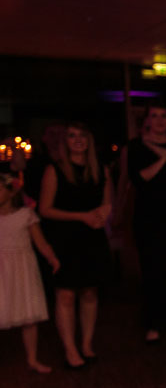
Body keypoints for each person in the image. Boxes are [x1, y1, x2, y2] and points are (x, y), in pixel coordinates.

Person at [38, 123, 113, 367]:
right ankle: (70, 349)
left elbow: (107, 203)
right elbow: (44, 209)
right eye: (72, 136)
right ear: (65, 142)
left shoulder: (100, 170)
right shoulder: (55, 170)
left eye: (82, 135)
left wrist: (102, 215)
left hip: (92, 238)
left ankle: (87, 344)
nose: (78, 140)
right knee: (67, 294)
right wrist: (81, 216)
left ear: (89, 140)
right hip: (65, 238)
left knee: (90, 292)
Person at [127, 103, 166, 344]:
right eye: (154, 115)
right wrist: (161, 158)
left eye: (164, 115)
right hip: (146, 215)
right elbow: (141, 178)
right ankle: (152, 323)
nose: (160, 119)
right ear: (147, 120)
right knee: (151, 269)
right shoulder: (136, 147)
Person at [0, 173, 60, 373]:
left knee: (28, 316)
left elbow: (40, 242)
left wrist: (51, 257)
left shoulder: (25, 215)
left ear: (11, 192)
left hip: (22, 268)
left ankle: (32, 359)